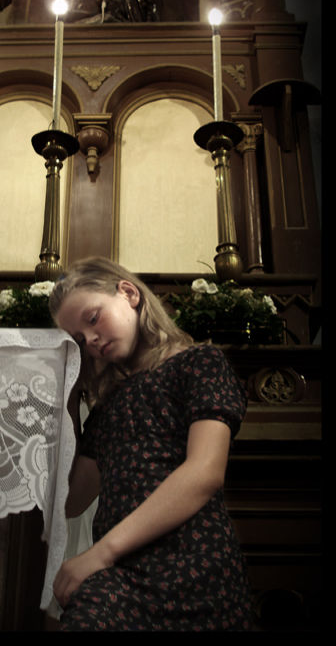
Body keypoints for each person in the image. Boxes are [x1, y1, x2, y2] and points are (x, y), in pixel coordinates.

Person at [48, 257, 252, 631]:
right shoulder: (108, 405)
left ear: (129, 293)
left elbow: (205, 473)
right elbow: (72, 500)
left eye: (93, 318)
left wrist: (100, 553)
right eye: (79, 339)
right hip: (123, 574)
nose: (90, 340)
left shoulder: (199, 364)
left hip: (195, 564)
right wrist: (70, 399)